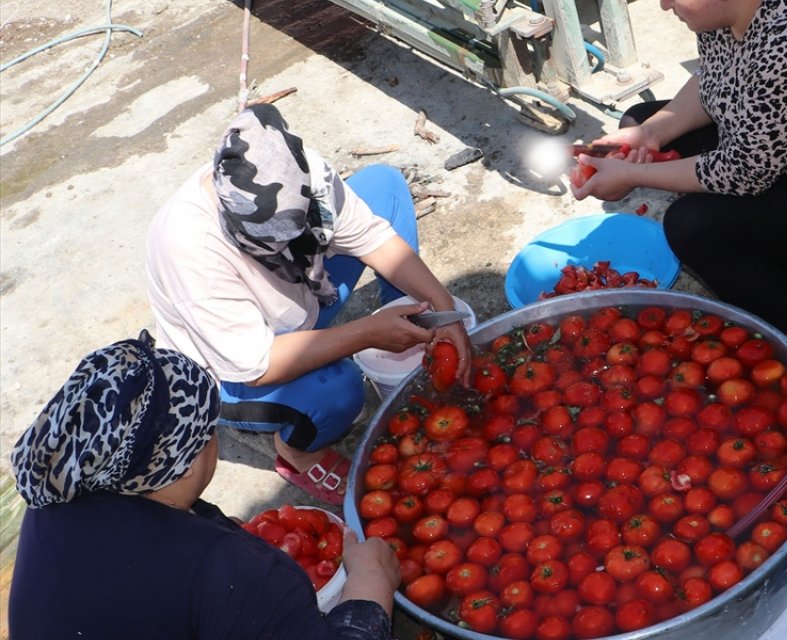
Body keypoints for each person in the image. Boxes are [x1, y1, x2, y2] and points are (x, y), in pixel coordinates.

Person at [146, 103, 471, 504]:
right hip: (232, 370)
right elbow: (256, 366)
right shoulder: (188, 247)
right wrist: (365, 335)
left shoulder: (300, 173)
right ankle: (297, 452)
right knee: (338, 389)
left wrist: (440, 307)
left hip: (301, 300)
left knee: (384, 188)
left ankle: (403, 319)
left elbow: (371, 237)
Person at [8, 335, 401, 639]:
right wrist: (371, 587)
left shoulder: (56, 496)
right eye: (210, 428)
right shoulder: (225, 569)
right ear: (189, 459)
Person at [569, 0, 787, 347]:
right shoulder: (729, 13)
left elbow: (743, 171)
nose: (663, 5)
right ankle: (735, 231)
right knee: (638, 120)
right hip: (784, 155)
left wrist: (632, 175)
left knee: (689, 226)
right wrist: (648, 135)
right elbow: (714, 77)